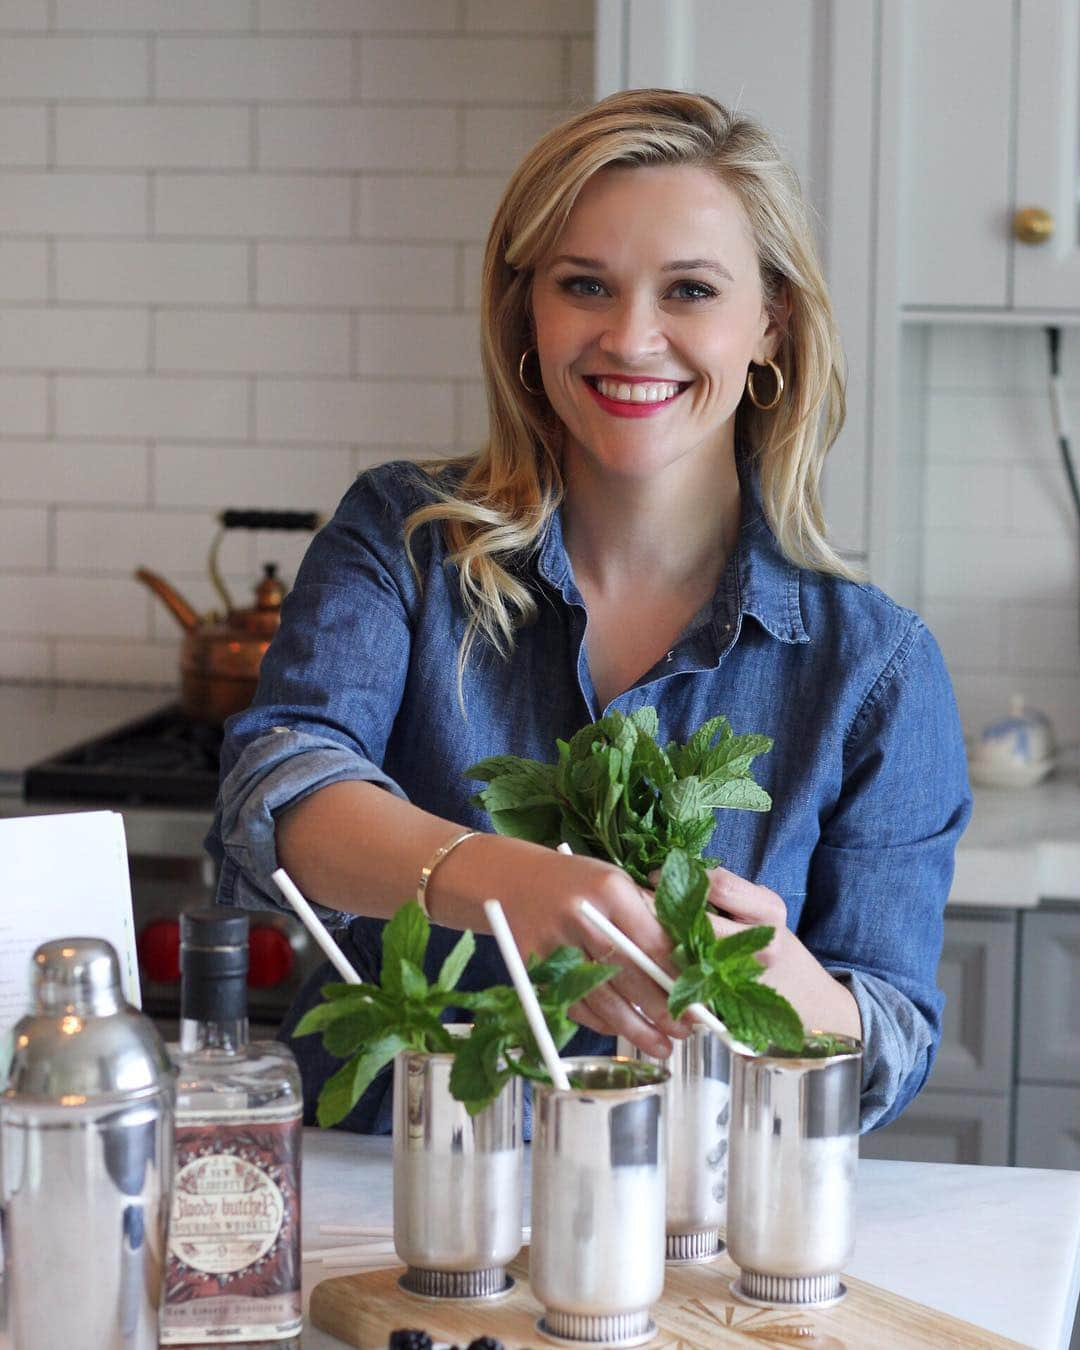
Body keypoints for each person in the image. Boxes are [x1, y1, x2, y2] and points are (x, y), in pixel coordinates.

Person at [207, 88, 971, 1135]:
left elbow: (887, 1038)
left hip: (684, 1240)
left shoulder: (874, 667)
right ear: (529, 311)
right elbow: (280, 789)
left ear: (770, 324)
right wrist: (498, 881)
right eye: (585, 286)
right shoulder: (405, 540)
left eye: (692, 290)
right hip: (380, 1207)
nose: (632, 336)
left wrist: (775, 983)